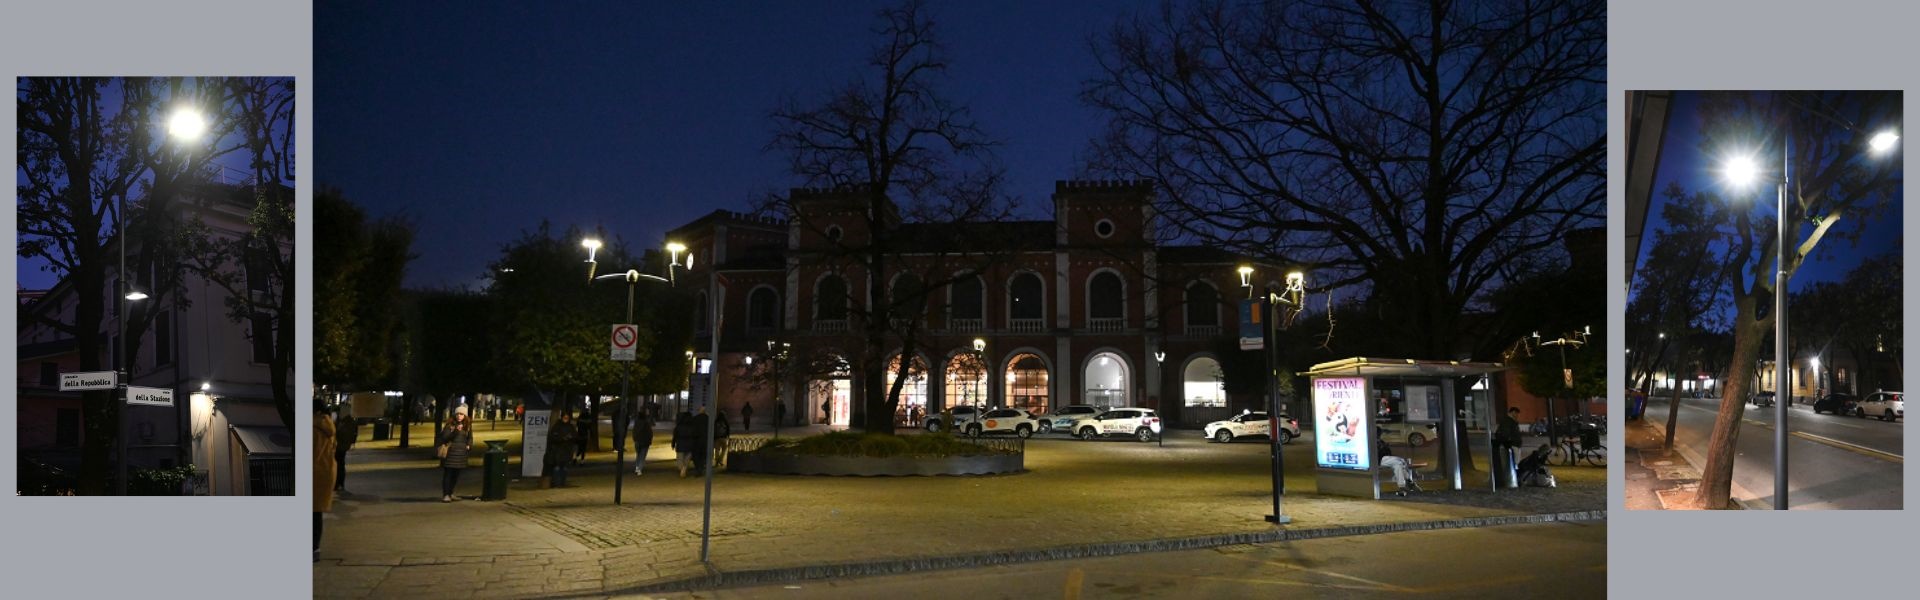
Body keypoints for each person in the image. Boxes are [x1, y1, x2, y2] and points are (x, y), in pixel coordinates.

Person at [314, 402, 338, 561]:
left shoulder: (313, 427)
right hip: (325, 473)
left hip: (314, 473)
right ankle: (314, 548)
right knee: (315, 513)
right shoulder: (328, 427)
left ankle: (312, 548)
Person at [437, 410, 473, 502]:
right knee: (448, 474)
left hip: (461, 453)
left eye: (461, 414)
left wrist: (469, 444)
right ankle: (446, 495)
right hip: (450, 452)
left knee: (456, 475)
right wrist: (456, 431)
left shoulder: (467, 426)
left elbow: (470, 437)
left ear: (464, 415)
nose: (459, 416)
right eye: (457, 414)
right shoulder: (450, 425)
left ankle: (451, 493)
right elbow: (445, 438)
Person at [546, 411, 578, 488]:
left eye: (567, 417)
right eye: (565, 417)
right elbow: (553, 437)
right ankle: (557, 483)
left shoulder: (570, 427)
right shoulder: (557, 426)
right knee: (557, 467)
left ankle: (562, 482)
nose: (566, 419)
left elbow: (575, 436)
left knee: (565, 468)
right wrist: (562, 438)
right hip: (558, 450)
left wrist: (570, 438)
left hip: (567, 450)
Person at [334, 406, 358, 493]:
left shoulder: (347, 422)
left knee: (339, 464)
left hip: (341, 446)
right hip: (340, 446)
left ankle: (338, 483)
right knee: (339, 464)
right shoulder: (343, 420)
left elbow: (344, 434)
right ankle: (338, 483)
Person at [631, 404, 655, 476]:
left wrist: (635, 439)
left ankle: (637, 467)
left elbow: (634, 432)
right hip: (645, 441)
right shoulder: (647, 424)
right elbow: (650, 433)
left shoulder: (636, 423)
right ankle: (639, 469)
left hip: (637, 441)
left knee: (638, 455)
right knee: (642, 456)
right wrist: (650, 440)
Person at [672, 410, 697, 478]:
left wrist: (673, 444)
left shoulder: (678, 426)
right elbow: (695, 436)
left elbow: (675, 436)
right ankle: (684, 469)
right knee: (687, 459)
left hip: (680, 445)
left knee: (680, 459)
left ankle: (682, 469)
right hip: (690, 445)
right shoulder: (693, 426)